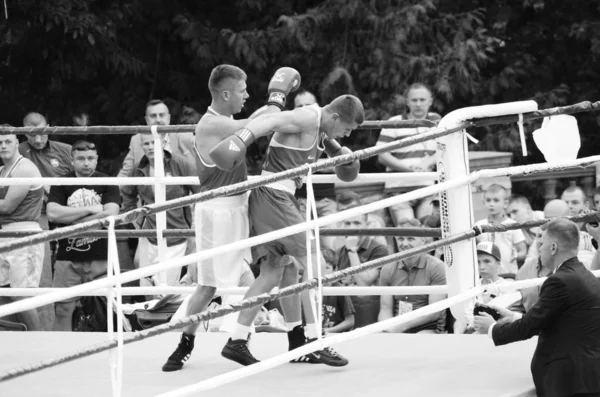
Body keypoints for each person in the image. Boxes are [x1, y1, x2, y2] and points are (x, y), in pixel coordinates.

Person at [161, 64, 300, 372]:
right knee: (222, 283)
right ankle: (224, 340)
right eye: (242, 90)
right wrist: (278, 99)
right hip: (221, 209)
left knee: (251, 274)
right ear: (225, 94)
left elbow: (254, 120)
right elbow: (257, 124)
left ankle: (202, 343)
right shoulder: (212, 125)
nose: (247, 94)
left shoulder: (223, 122)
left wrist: (276, 100)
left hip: (234, 204)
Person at [209, 94, 364, 367]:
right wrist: (241, 139)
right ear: (336, 117)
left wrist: (346, 156)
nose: (348, 135)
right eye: (347, 129)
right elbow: (270, 120)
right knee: (312, 263)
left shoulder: (322, 130)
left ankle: (241, 339)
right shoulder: (307, 117)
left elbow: (342, 161)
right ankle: (316, 340)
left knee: (277, 271)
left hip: (274, 198)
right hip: (274, 196)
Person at [474, 218, 600, 397]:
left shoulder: (561, 281)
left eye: (541, 244)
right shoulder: (584, 275)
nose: (538, 250)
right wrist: (513, 317)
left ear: (553, 248)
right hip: (584, 378)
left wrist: (492, 328)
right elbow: (557, 321)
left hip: (569, 382)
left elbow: (529, 327)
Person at [46, 140, 121, 331]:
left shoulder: (106, 182)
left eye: (90, 158)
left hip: (101, 255)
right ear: (72, 160)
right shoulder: (63, 182)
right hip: (67, 256)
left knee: (104, 308)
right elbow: (53, 213)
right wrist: (90, 209)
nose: (86, 163)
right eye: (80, 158)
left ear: (96, 160)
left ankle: (106, 351)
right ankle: (61, 354)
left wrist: (71, 222)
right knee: (63, 308)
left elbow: (111, 213)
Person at [121, 133, 200, 287]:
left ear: (163, 143)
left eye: (153, 143)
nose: (150, 147)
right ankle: (147, 311)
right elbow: (127, 193)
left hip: (176, 233)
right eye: (146, 144)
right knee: (145, 284)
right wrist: (134, 218)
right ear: (141, 146)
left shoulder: (180, 163)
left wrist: (195, 223)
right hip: (148, 232)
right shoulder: (138, 168)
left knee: (166, 286)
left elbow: (201, 191)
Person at [376, 83, 441, 223]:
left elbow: (445, 149)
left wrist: (426, 163)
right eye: (414, 100)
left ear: (430, 101)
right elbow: (382, 155)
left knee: (428, 232)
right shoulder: (394, 122)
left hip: (427, 189)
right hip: (399, 189)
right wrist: (409, 169)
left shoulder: (437, 120)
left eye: (422, 100)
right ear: (407, 102)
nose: (418, 104)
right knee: (408, 233)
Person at [0, 134, 45, 331]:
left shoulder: (24, 167)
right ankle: (11, 344)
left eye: (8, 141)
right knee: (2, 292)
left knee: (21, 294)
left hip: (24, 234)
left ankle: (39, 344)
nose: (3, 145)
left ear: (17, 143)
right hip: (4, 234)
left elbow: (7, 206)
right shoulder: (2, 171)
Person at [378, 218, 447, 333]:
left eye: (410, 238)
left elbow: (434, 313)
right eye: (400, 239)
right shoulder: (387, 268)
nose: (405, 244)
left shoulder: (437, 267)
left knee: (419, 342)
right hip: (396, 326)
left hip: (428, 328)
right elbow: (385, 309)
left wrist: (400, 327)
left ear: (423, 240)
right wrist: (386, 329)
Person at [117, 100, 195, 179]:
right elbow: (126, 173)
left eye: (162, 115)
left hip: (180, 189)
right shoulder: (137, 140)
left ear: (168, 118)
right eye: (153, 116)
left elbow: (199, 169)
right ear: (147, 120)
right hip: (147, 189)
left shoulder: (184, 136)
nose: (158, 120)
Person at [474, 184, 527, 273]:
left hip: (509, 275)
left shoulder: (513, 225)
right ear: (484, 202)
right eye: (488, 200)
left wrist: (515, 257)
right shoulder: (479, 225)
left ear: (505, 203)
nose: (491, 204)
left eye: (496, 200)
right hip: (486, 275)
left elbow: (523, 251)